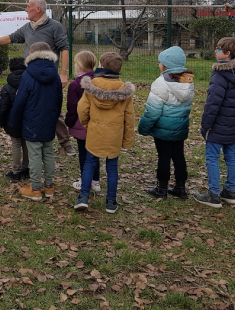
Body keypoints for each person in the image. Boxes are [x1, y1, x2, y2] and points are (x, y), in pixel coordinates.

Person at [0, 0, 75, 156]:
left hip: (48, 76)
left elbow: (65, 48)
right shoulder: (27, 27)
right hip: (28, 74)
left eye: (28, 6)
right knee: (24, 104)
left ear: (38, 9)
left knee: (53, 108)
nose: (26, 9)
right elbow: (11, 37)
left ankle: (65, 143)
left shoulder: (54, 26)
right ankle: (26, 139)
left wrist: (63, 73)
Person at [74, 52, 135, 213]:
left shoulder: (92, 86)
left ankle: (83, 196)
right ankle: (111, 201)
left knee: (89, 163)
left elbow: (82, 109)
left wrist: (87, 123)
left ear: (101, 66)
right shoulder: (124, 90)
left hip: (95, 132)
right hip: (114, 135)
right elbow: (129, 118)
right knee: (112, 167)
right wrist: (127, 140)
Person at [192, 38, 235, 207]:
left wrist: (206, 124)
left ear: (227, 54)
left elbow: (213, 102)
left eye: (218, 49)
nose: (215, 51)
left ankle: (213, 194)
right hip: (233, 123)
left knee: (212, 157)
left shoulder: (220, 73)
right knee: (231, 155)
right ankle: (230, 191)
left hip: (218, 123)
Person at [138, 46, 194, 200]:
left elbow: (152, 111)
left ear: (166, 66)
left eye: (160, 62)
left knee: (164, 157)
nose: (159, 65)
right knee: (178, 156)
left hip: (163, 130)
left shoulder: (161, 83)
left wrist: (143, 128)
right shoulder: (188, 82)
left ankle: (161, 189)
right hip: (180, 128)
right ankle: (180, 188)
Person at [9, 42, 63, 201]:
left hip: (32, 121)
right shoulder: (55, 74)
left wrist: (13, 121)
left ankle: (35, 189)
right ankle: (49, 186)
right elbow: (59, 99)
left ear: (31, 54)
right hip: (49, 119)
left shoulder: (27, 74)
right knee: (48, 153)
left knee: (34, 155)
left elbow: (20, 100)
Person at [65, 51, 100, 192]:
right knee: (95, 153)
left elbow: (72, 107)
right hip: (97, 123)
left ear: (79, 65)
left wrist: (69, 121)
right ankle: (95, 181)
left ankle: (85, 180)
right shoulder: (99, 81)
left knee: (84, 154)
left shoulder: (75, 85)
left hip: (82, 124)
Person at [0, 57, 29, 182]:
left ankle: (16, 170)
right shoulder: (30, 83)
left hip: (12, 120)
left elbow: (2, 107)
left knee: (16, 144)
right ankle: (26, 168)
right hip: (27, 120)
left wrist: (0, 122)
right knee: (26, 144)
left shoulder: (7, 87)